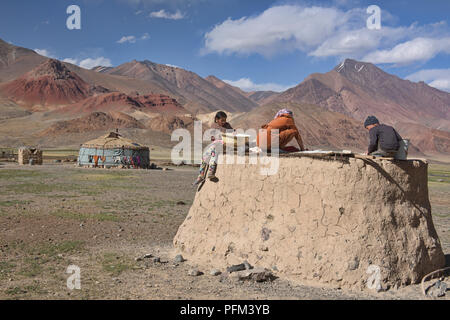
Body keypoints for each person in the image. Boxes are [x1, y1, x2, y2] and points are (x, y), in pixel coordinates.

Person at [193, 111, 234, 186]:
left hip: (225, 146)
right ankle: (201, 175)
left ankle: (211, 171)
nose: (224, 122)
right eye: (222, 120)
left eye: (225, 120)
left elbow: (232, 135)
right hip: (215, 144)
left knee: (214, 151)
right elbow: (212, 138)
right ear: (217, 119)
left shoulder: (228, 126)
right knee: (205, 155)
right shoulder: (214, 126)